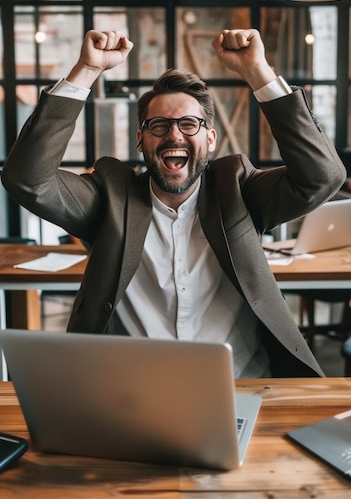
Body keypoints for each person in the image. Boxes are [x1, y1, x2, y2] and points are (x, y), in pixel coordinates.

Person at [1, 28, 346, 378]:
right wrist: (87, 71)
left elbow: (323, 176)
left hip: (240, 386)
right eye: (159, 125)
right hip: (130, 394)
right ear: (141, 139)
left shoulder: (238, 191)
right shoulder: (109, 197)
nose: (174, 135)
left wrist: (258, 71)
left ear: (210, 139)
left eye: (189, 124)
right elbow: (27, 179)